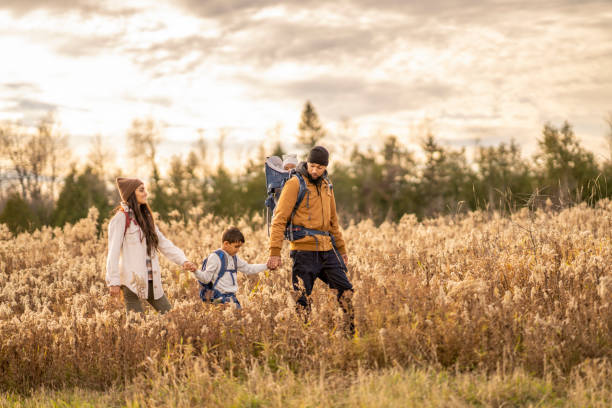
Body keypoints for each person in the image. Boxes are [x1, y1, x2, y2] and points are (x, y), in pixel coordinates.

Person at [267, 146, 354, 333]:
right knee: (302, 299)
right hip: (303, 251)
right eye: (312, 165)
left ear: (325, 167)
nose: (315, 170)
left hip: (327, 251)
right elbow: (279, 219)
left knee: (346, 292)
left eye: (320, 167)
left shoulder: (327, 186)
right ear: (307, 163)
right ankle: (303, 341)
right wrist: (274, 252)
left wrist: (342, 250)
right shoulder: (294, 184)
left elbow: (333, 222)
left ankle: (349, 337)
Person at [106, 177, 196, 315]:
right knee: (136, 324)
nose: (145, 193)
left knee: (171, 317)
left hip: (152, 280)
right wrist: (114, 281)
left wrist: (183, 260)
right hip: (131, 282)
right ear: (131, 194)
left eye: (145, 190)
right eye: (141, 190)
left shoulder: (146, 218)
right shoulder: (120, 219)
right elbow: (113, 253)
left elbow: (164, 244)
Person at [193, 227, 267, 308]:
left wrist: (267, 266)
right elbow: (206, 278)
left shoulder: (234, 257)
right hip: (219, 299)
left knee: (239, 318)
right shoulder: (215, 257)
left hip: (232, 298)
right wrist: (195, 271)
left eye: (239, 247)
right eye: (236, 246)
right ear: (226, 244)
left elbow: (248, 268)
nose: (238, 250)